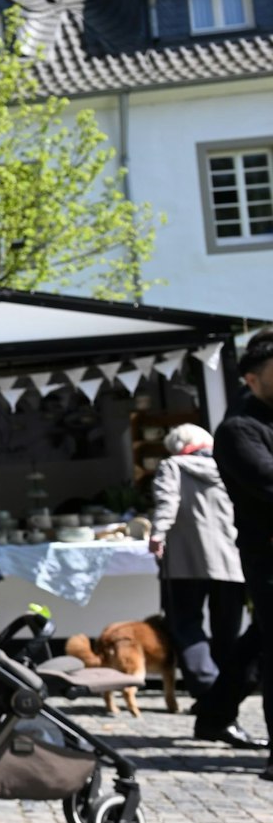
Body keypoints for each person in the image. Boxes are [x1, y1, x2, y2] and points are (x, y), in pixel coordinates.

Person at [147, 424, 250, 729]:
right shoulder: (229, 466)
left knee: (185, 624)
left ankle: (209, 689)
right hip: (232, 561)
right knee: (227, 631)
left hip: (186, 562)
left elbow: (167, 503)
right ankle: (225, 696)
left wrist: (158, 534)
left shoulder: (172, 466)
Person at [207, 332, 273, 774]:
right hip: (268, 557)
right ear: (252, 378)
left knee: (258, 641)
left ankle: (213, 714)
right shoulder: (237, 429)